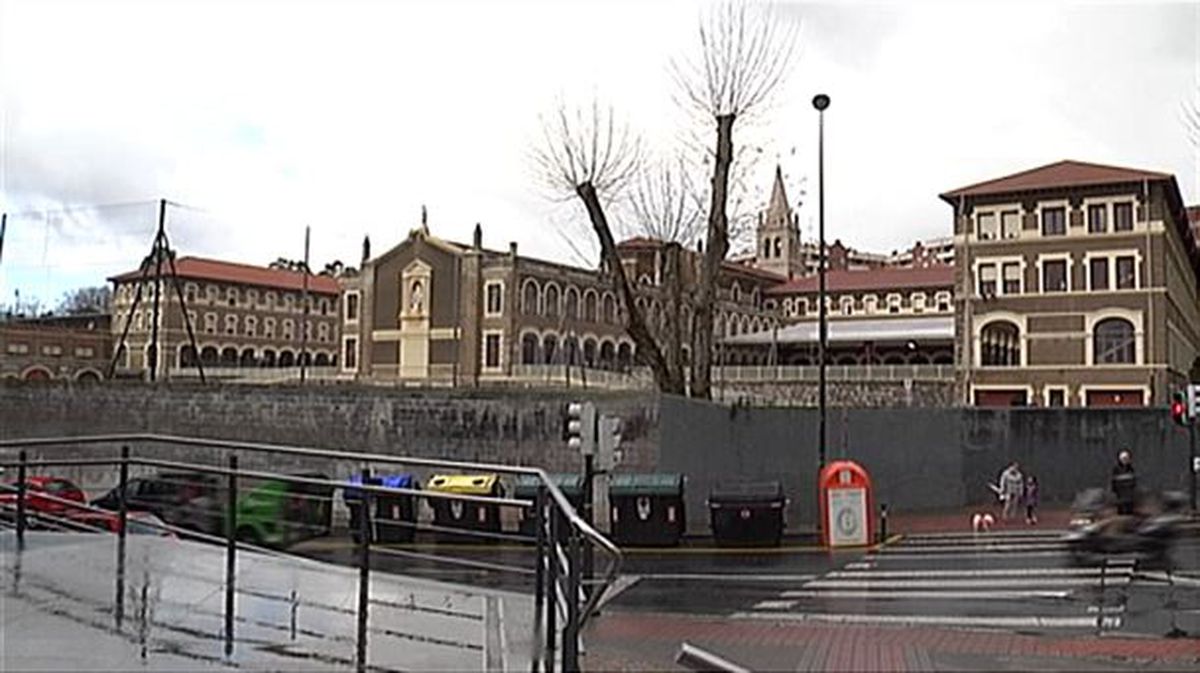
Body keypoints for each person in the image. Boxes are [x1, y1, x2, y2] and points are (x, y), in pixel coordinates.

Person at [1110, 450, 1137, 516]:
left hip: (1129, 492)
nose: (1125, 460)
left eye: (1126, 459)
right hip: (1120, 491)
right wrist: (1114, 489)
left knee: (1129, 506)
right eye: (1124, 459)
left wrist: (1132, 486)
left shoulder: (1131, 468)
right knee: (1121, 506)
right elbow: (1113, 480)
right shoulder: (1116, 469)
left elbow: (1133, 479)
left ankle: (1129, 514)